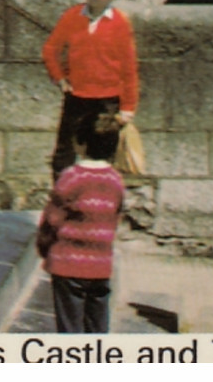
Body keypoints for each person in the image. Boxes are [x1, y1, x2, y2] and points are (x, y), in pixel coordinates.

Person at [42, 0, 137, 179]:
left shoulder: (120, 24)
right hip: (77, 97)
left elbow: (129, 68)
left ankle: (98, 201)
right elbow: (50, 49)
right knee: (64, 155)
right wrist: (60, 78)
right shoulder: (73, 16)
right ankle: (63, 200)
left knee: (102, 155)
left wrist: (128, 107)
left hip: (108, 100)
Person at [36, 111, 124, 333]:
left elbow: (52, 219)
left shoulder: (71, 177)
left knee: (70, 328)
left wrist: (44, 247)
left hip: (68, 264)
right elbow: (116, 216)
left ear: (81, 143)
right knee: (97, 326)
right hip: (101, 265)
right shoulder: (115, 181)